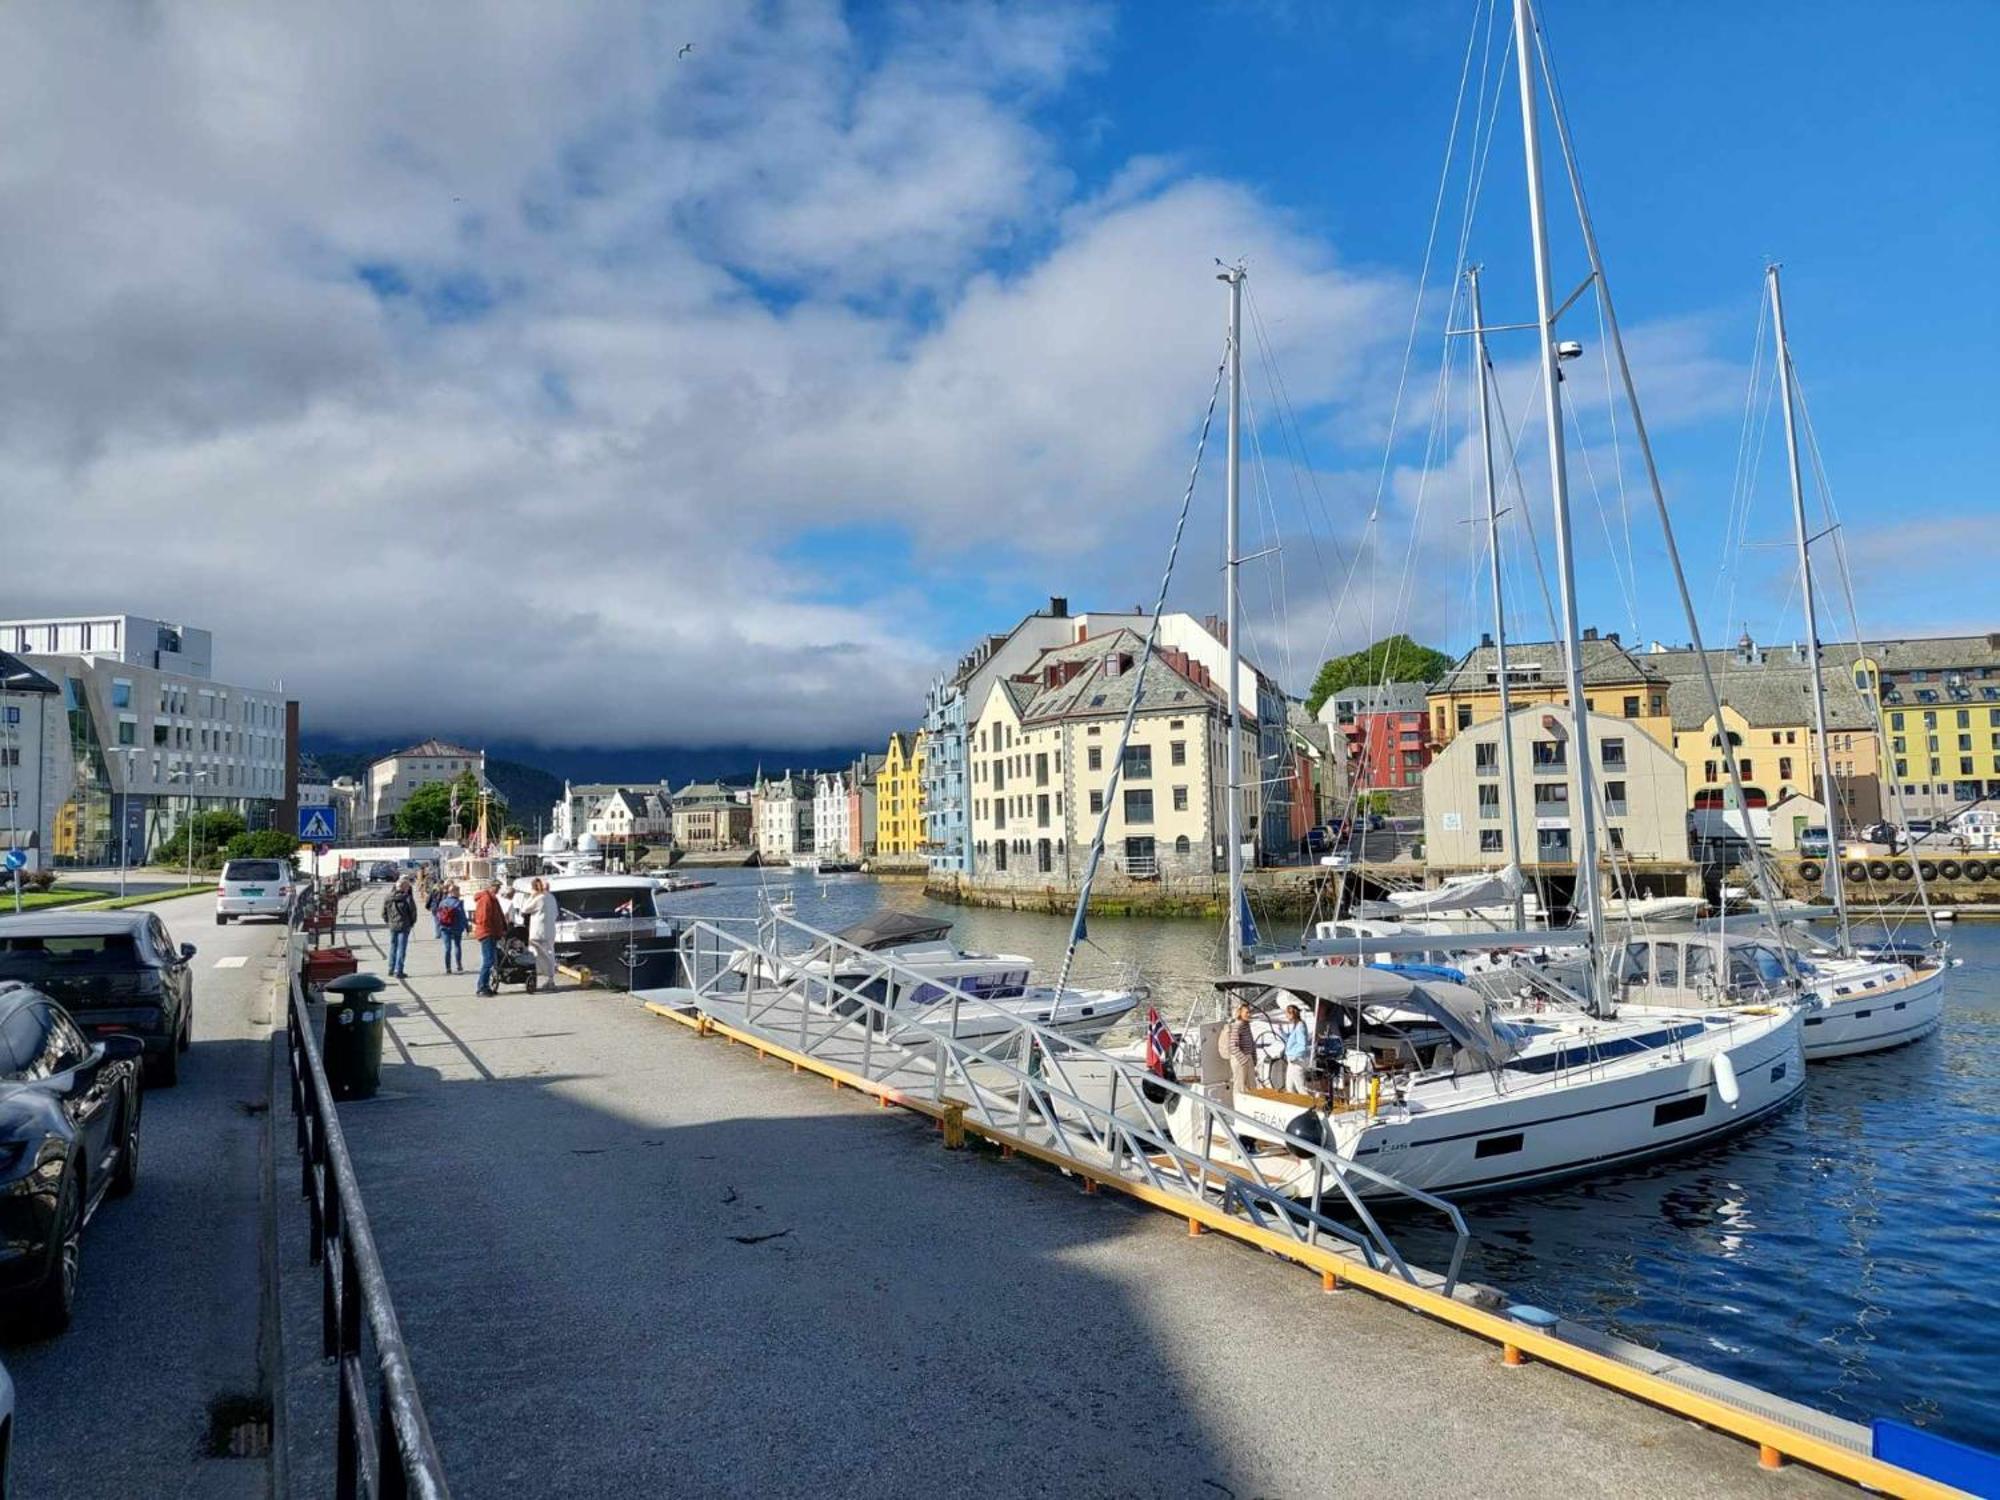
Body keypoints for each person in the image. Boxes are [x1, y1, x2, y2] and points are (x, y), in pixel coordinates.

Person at [471, 878, 507, 997]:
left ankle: (485, 986)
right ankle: (482, 987)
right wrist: (493, 930)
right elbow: (483, 918)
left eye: (498, 887)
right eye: (496, 887)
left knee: (490, 960)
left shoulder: (491, 898)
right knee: (488, 960)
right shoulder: (486, 899)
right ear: (490, 887)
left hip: (490, 932)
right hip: (487, 933)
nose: (498, 889)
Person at [524, 877, 559, 992]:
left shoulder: (539, 898)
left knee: (536, 954)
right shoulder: (551, 897)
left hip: (538, 932)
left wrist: (531, 896)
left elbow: (525, 909)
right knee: (549, 953)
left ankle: (537, 978)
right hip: (550, 930)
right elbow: (556, 913)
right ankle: (550, 979)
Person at [1221, 1000, 1259, 1096]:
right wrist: (1244, 1061)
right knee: (1240, 1088)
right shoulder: (1238, 1026)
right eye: (1247, 1012)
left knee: (1252, 1087)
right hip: (1240, 1060)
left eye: (1249, 1012)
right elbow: (1233, 1047)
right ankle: (1238, 1108)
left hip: (1247, 1058)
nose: (1249, 1014)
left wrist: (1253, 1058)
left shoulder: (1246, 1025)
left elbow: (1251, 1043)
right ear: (1240, 1013)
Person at [383, 877, 418, 979]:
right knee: (401, 948)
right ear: (403, 887)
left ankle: (391, 968)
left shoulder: (388, 897)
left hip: (393, 926)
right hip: (404, 926)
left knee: (393, 947)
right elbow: (413, 912)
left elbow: (383, 913)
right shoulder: (407, 898)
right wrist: (412, 923)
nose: (408, 889)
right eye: (407, 887)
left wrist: (389, 921)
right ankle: (399, 970)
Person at [434, 883, 467, 974]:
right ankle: (459, 965)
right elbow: (462, 916)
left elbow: (438, 915)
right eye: (458, 891)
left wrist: (439, 928)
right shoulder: (458, 903)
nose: (459, 893)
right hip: (456, 927)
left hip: (445, 927)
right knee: (457, 946)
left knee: (447, 948)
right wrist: (466, 926)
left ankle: (448, 967)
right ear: (454, 892)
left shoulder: (443, 902)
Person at [1281, 1004, 1311, 1094]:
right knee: (1289, 1086)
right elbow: (1290, 1040)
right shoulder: (1295, 1025)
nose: (1286, 1016)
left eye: (1286, 1013)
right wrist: (1281, 1031)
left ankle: (1309, 1104)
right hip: (1292, 1061)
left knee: (1300, 1087)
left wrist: (1294, 1056)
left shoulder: (1300, 1026)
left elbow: (1303, 1045)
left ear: (1292, 1014)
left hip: (1297, 1061)